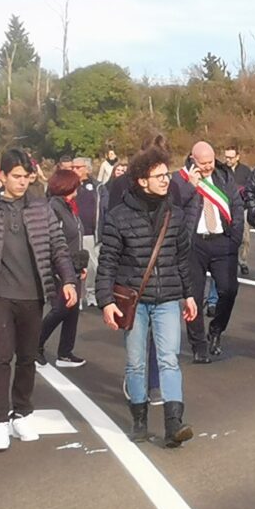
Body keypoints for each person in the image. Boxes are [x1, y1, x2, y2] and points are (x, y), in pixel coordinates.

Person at [0, 148, 80, 452]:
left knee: (27, 358)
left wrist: (68, 279)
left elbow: (58, 248)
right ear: (2, 176)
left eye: (26, 176)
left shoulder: (41, 208)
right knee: (1, 358)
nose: (22, 182)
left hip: (34, 294)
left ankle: (22, 413)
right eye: (16, 176)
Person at [97, 147, 201, 447]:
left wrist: (189, 295)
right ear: (142, 181)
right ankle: (139, 421)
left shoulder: (174, 214)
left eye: (167, 174)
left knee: (169, 360)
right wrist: (106, 301)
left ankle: (173, 424)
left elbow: (182, 259)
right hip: (134, 300)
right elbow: (107, 262)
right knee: (136, 364)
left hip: (167, 297)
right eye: (159, 176)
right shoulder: (118, 217)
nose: (166, 180)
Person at [183, 141, 245, 362]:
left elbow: (237, 207)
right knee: (194, 296)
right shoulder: (181, 179)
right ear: (193, 160)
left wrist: (235, 238)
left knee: (229, 290)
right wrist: (190, 187)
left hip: (222, 241)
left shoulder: (224, 176)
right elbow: (173, 206)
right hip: (194, 244)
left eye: (210, 162)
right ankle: (198, 346)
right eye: (203, 163)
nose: (208, 166)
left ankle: (216, 329)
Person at [38, 161, 92, 369]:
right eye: (75, 186)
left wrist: (81, 264)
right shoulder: (54, 207)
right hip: (60, 267)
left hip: (74, 265)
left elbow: (75, 236)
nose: (77, 190)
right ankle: (36, 344)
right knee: (60, 308)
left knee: (72, 311)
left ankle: (65, 352)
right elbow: (53, 241)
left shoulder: (70, 207)